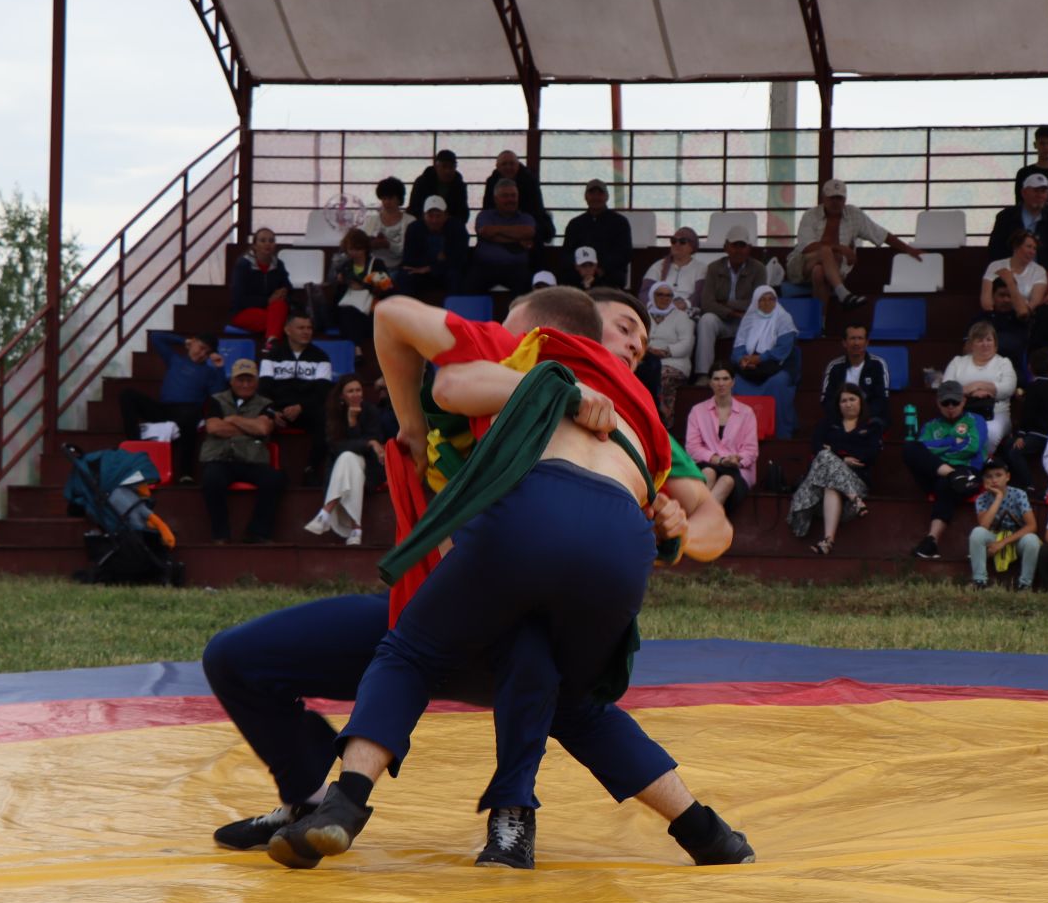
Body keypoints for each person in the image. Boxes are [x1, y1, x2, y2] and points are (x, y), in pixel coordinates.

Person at [221, 288, 746, 870]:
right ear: (574, 323)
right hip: (457, 588)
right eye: (625, 328)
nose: (634, 345)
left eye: (644, 343)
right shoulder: (519, 351)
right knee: (238, 657)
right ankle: (308, 800)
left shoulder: (633, 406)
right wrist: (417, 427)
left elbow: (711, 525)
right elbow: (427, 358)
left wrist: (674, 530)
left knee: (519, 654)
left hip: (504, 585)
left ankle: (483, 814)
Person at [787, 178, 923, 310]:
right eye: (831, 198)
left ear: (845, 199)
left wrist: (908, 249)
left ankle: (819, 325)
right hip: (801, 266)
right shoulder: (810, 215)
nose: (835, 202)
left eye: (839, 198)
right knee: (825, 251)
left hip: (833, 270)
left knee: (819, 272)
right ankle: (844, 294)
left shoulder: (854, 214)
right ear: (823, 198)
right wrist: (840, 248)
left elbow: (881, 234)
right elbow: (805, 247)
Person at [120, 331, 227, 482]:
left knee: (191, 416)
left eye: (207, 352)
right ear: (193, 342)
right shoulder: (175, 359)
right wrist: (184, 340)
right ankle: (135, 442)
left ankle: (186, 474)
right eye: (201, 347)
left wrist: (219, 368)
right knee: (127, 394)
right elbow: (156, 337)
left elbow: (220, 393)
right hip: (163, 409)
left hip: (188, 411)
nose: (202, 353)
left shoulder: (209, 372)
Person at [199, 358, 285, 544]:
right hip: (220, 459)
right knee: (211, 478)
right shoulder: (216, 400)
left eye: (250, 380)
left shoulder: (266, 403)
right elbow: (213, 428)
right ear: (232, 381)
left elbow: (263, 429)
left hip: (252, 461)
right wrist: (249, 428)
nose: (245, 384)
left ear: (257, 381)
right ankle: (221, 535)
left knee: (275, 478)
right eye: (240, 379)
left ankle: (257, 532)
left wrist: (232, 419)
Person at [791, 385, 883, 554]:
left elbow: (869, 454)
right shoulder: (828, 423)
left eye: (852, 399)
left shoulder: (872, 425)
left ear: (861, 402)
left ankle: (852, 502)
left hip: (857, 483)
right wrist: (843, 457)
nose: (848, 404)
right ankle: (829, 539)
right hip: (825, 496)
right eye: (844, 401)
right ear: (838, 405)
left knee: (827, 459)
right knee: (826, 467)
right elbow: (816, 446)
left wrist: (834, 449)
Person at [907, 380, 988, 559]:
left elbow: (972, 447)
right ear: (938, 403)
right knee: (910, 448)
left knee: (946, 485)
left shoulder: (976, 420)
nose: (950, 407)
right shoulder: (930, 426)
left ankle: (931, 541)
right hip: (938, 473)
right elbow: (922, 447)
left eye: (955, 402)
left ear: (964, 401)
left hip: (968, 473)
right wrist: (953, 442)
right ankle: (952, 475)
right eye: (945, 403)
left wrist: (939, 447)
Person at [304, 378, 384, 546]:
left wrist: (354, 423)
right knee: (348, 458)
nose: (356, 394)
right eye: (351, 391)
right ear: (342, 395)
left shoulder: (371, 411)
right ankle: (356, 529)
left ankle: (326, 513)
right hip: (342, 468)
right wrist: (365, 440)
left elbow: (375, 443)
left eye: (358, 390)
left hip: (370, 467)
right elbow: (336, 446)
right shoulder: (333, 414)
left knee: (348, 458)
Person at [258, 312, 336, 482]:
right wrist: (271, 411)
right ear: (287, 330)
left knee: (325, 419)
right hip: (277, 410)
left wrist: (301, 407)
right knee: (258, 419)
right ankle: (261, 469)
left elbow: (322, 392)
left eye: (309, 328)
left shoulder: (321, 357)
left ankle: (311, 469)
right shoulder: (271, 356)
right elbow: (263, 390)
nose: (306, 331)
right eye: (301, 328)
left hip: (306, 409)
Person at [685, 365, 758, 516]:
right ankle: (703, 527)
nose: (721, 383)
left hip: (737, 469)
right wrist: (718, 459)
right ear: (710, 383)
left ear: (733, 382)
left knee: (727, 480)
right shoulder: (698, 410)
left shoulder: (747, 412)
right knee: (708, 472)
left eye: (725, 379)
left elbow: (751, 450)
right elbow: (692, 447)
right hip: (709, 463)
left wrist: (737, 459)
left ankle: (696, 524)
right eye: (716, 379)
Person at [729, 286, 800, 439]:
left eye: (771, 299)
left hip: (778, 365)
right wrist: (743, 360)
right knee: (734, 383)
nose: (767, 303)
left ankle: (779, 433)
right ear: (756, 302)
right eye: (762, 299)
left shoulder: (783, 318)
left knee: (777, 383)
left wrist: (759, 359)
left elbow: (783, 349)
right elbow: (739, 346)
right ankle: (740, 434)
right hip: (751, 365)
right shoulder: (749, 318)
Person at [943, 321, 1019, 450]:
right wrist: (971, 391)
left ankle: (980, 467)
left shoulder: (1004, 363)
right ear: (971, 344)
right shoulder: (958, 362)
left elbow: (1008, 388)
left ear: (995, 343)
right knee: (953, 434)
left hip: (996, 414)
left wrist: (979, 385)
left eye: (989, 340)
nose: (985, 344)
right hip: (962, 414)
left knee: (989, 433)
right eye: (979, 340)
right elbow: (946, 390)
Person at [967, 457, 1042, 590]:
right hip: (993, 538)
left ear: (1007, 477)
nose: (994, 480)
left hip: (1015, 539)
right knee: (977, 532)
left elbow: (1032, 526)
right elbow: (984, 525)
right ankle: (980, 581)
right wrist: (998, 497)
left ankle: (1025, 585)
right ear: (984, 480)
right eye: (988, 476)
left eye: (998, 475)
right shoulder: (982, 499)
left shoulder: (1019, 494)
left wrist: (1002, 543)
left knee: (1032, 539)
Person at [695, 226, 761, 375]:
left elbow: (758, 302)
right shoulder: (713, 268)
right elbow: (707, 303)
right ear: (726, 247)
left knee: (761, 321)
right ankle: (703, 374)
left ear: (749, 248)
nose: (738, 250)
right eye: (734, 245)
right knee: (706, 320)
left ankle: (749, 373)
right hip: (723, 319)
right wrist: (732, 312)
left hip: (748, 320)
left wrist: (725, 302)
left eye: (742, 245)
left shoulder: (758, 269)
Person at [324, 227, 395, 343]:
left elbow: (387, 290)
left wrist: (364, 287)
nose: (354, 253)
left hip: (370, 308)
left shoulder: (377, 264)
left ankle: (356, 348)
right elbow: (338, 297)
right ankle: (356, 348)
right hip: (349, 308)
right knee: (347, 312)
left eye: (358, 249)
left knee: (352, 315)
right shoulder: (345, 266)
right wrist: (341, 283)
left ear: (365, 249)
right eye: (351, 249)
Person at [466, 179, 537, 292]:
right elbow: (485, 232)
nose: (510, 199)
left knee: (527, 288)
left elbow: (529, 232)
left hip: (516, 268)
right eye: (505, 196)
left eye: (513, 196)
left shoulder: (526, 218)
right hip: (484, 267)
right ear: (496, 199)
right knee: (467, 286)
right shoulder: (484, 216)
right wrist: (517, 239)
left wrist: (496, 230)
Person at [643, 279, 697, 427]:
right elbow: (638, 337)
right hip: (646, 359)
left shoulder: (681, 316)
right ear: (652, 296)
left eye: (668, 295)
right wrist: (647, 350)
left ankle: (663, 422)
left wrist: (665, 352)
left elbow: (687, 343)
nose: (664, 298)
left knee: (662, 377)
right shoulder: (644, 315)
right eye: (660, 294)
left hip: (674, 363)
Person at [562, 177, 632, 290]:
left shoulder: (619, 222)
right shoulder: (575, 224)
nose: (596, 197)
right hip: (578, 277)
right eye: (592, 193)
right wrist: (582, 269)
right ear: (586, 197)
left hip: (608, 276)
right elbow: (567, 253)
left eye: (600, 194)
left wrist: (600, 269)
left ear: (606, 197)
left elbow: (624, 253)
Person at [980, 228, 1048, 340]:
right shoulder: (995, 266)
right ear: (1016, 246)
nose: (1032, 251)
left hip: (1021, 320)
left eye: (1034, 248)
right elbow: (986, 303)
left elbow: (1030, 306)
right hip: (995, 316)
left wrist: (1010, 281)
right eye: (1028, 246)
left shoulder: (1039, 271)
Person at [818, 320, 890, 424]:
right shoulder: (834, 366)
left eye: (860, 338)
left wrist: (860, 417)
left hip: (870, 418)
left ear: (867, 342)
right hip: (841, 417)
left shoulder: (878, 364)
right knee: (821, 428)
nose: (856, 343)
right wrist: (844, 417)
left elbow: (882, 399)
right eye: (852, 338)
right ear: (844, 342)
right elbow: (827, 399)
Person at [987, 175, 1048, 267]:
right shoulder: (1006, 217)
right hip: (1010, 273)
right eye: (1035, 191)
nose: (1040, 195)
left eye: (1043, 191)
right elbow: (995, 251)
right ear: (1024, 193)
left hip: (1042, 276)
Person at [397, 195, 468, 295]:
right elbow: (409, 257)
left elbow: (460, 258)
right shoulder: (414, 228)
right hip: (420, 270)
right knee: (404, 275)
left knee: (456, 275)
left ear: (446, 215)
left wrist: (431, 268)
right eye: (430, 216)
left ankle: (454, 309)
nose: (434, 220)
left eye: (438, 216)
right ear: (423, 215)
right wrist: (438, 260)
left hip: (444, 270)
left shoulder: (457, 228)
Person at [229, 227, 291, 341]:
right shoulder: (243, 265)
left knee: (279, 306)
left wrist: (283, 291)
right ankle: (273, 344)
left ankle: (271, 343)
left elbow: (287, 286)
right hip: (244, 311)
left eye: (271, 241)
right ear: (254, 245)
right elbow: (239, 298)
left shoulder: (279, 264)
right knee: (280, 322)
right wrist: (267, 301)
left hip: (272, 310)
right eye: (263, 241)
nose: (267, 244)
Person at [481, 149, 552, 243]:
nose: (508, 167)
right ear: (497, 167)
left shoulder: (529, 181)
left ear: (518, 165)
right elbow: (488, 208)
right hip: (499, 219)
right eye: (504, 164)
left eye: (511, 164)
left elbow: (536, 209)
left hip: (525, 218)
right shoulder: (492, 181)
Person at [637, 225, 705, 311]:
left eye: (682, 241)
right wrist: (654, 307)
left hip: (686, 311)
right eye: (673, 241)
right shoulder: (659, 266)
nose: (677, 244)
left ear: (692, 247)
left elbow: (700, 294)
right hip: (659, 309)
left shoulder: (701, 268)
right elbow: (645, 292)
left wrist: (685, 304)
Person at [407, 148, 469, 225]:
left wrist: (444, 220)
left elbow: (463, 214)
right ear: (436, 166)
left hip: (449, 226)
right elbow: (413, 208)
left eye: (451, 167)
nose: (447, 171)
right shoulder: (422, 182)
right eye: (444, 166)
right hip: (423, 224)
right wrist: (430, 219)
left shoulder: (460, 185)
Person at [361, 176, 411, 267]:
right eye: (384, 198)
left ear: (399, 199)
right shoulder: (371, 220)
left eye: (390, 198)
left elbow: (409, 251)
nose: (387, 202)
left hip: (400, 268)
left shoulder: (410, 221)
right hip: (372, 267)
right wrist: (372, 244)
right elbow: (361, 245)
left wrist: (388, 244)